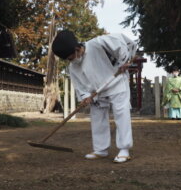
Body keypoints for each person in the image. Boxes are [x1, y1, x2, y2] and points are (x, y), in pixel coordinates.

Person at [52, 30, 137, 163]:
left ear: (77, 49)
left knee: (121, 114)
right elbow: (79, 84)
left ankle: (124, 149)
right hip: (96, 92)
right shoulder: (73, 67)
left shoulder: (99, 43)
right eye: (68, 59)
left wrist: (124, 61)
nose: (72, 60)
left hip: (116, 82)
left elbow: (122, 43)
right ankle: (100, 149)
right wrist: (85, 96)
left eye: (71, 57)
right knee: (97, 117)